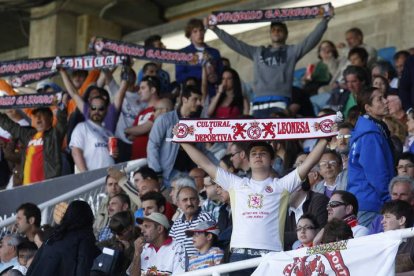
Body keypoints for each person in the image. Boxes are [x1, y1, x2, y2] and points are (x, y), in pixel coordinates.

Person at [179, 139, 329, 275]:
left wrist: (325, 139)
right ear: (248, 160)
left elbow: (309, 163)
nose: (258, 156)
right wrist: (182, 140)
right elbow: (206, 164)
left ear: (272, 160)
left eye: (263, 153)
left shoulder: (281, 185)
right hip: (239, 256)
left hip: (271, 255)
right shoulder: (236, 183)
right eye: (254, 154)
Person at [205, 8, 333, 117]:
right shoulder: (257, 52)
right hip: (258, 103)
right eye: (273, 30)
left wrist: (325, 20)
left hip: (280, 101)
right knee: (260, 142)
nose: (276, 32)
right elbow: (236, 44)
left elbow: (310, 40)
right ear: (270, 33)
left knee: (279, 141)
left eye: (279, 30)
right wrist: (216, 30)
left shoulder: (292, 51)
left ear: (286, 34)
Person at [147, 85, 217, 187]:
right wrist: (156, 172)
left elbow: (202, 150)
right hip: (167, 175)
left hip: (190, 174)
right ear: (184, 99)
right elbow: (152, 145)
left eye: (200, 99)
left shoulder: (197, 123)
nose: (199, 103)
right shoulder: (165, 119)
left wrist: (221, 165)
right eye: (195, 99)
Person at [347, 86, 394, 226]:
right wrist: (389, 201)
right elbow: (377, 173)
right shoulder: (370, 135)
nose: (386, 101)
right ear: (368, 108)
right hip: (372, 204)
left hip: (363, 201)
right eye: (380, 99)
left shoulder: (366, 129)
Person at [26, 200, 100, 276]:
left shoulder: (54, 235)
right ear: (88, 217)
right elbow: (83, 266)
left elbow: (34, 263)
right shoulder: (85, 237)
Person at [0, 104, 67, 185]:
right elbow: (11, 126)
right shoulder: (28, 135)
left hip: (46, 186)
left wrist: (61, 104)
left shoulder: (54, 135)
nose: (38, 118)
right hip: (26, 187)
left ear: (51, 118)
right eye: (35, 115)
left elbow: (62, 121)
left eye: (42, 115)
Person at [176, 18, 223, 98]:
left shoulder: (214, 52)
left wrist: (216, 76)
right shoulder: (183, 53)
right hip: (195, 94)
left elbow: (221, 71)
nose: (199, 34)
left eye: (201, 30)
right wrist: (203, 74)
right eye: (195, 31)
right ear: (189, 35)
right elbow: (179, 77)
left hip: (214, 93)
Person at [70, 95, 117, 172]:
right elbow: (76, 152)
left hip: (110, 177)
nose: (96, 111)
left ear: (106, 111)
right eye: (93, 108)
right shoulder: (82, 127)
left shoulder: (109, 133)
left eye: (101, 109)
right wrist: (85, 174)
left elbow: (111, 155)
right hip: (93, 176)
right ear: (89, 110)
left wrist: (115, 153)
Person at [169, 186, 214, 257]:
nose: (189, 203)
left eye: (192, 199)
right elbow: (171, 248)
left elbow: (210, 244)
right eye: (185, 200)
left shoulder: (205, 218)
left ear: (198, 201)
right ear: (178, 204)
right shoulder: (176, 224)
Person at [125, 76, 161, 160]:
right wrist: (141, 130)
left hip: (152, 160)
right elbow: (130, 136)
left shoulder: (161, 108)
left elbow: (146, 128)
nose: (139, 92)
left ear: (153, 90)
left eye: (143, 88)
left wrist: (128, 130)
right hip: (136, 160)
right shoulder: (141, 112)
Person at [380, 200, 414, 274]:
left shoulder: (412, 243)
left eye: (387, 217)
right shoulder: (381, 242)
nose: (382, 222)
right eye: (383, 218)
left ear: (401, 220)